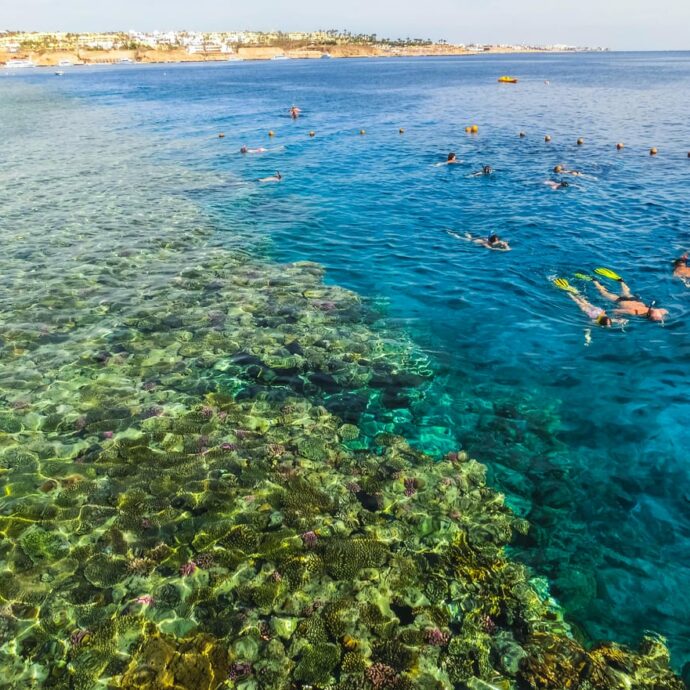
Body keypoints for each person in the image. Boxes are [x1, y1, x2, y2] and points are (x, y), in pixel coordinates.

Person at [592, 277, 667, 322]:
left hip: (634, 299)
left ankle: (621, 282)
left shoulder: (659, 310)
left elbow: (664, 311)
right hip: (622, 301)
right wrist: (617, 317)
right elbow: (616, 310)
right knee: (604, 293)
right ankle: (595, 281)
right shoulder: (634, 312)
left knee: (626, 291)